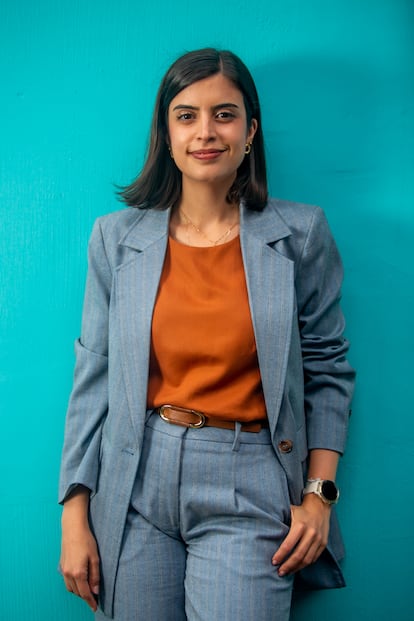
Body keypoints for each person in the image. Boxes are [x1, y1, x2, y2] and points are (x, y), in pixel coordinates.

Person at [59, 48, 355, 621]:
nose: (205, 132)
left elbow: (329, 372)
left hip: (249, 482)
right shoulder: (115, 241)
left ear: (250, 130)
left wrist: (318, 499)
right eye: (186, 115)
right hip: (135, 483)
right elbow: (92, 381)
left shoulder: (300, 234)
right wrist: (74, 514)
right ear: (166, 133)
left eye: (224, 114)